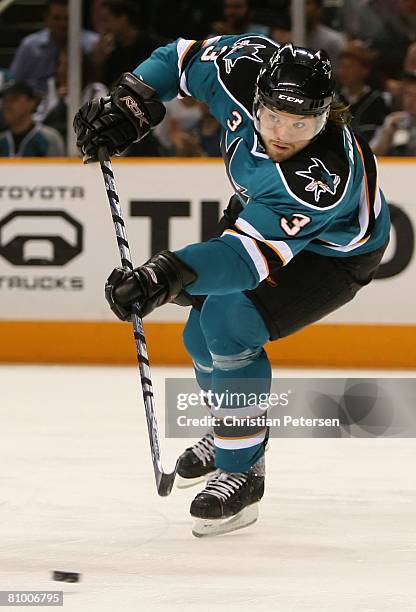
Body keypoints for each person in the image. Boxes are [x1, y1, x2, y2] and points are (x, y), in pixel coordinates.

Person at [74, 37, 391, 537]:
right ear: (257, 99)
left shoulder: (319, 178)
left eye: (302, 124)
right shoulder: (242, 69)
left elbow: (245, 262)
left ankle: (243, 471)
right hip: (259, 209)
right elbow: (178, 58)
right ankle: (231, 430)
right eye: (274, 119)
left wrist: (165, 276)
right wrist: (131, 104)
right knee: (197, 335)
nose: (284, 135)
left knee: (228, 325)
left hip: (333, 252)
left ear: (326, 117)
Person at [9, 0, 99, 94]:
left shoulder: (93, 44)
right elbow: (15, 82)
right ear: (46, 18)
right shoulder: (29, 46)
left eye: (67, 18)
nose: (63, 24)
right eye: (57, 18)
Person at [91, 0, 163, 87]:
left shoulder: (152, 47)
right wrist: (98, 63)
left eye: (106, 20)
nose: (104, 27)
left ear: (123, 19)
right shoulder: (112, 53)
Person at [337, 43, 389, 142]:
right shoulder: (334, 99)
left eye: (349, 67)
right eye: (342, 66)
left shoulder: (376, 101)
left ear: (365, 70)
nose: (343, 72)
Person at [0, 81, 64, 156]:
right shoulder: (1, 140)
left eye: (14, 98)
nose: (8, 104)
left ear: (32, 103)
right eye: (5, 100)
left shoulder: (49, 138)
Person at [370, 71, 416, 156]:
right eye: (408, 94)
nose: (411, 100)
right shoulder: (394, 120)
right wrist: (388, 134)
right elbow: (372, 155)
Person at [305, 0, 346, 70]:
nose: (299, 9)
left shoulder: (333, 41)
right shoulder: (282, 41)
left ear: (318, 9)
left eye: (307, 3)